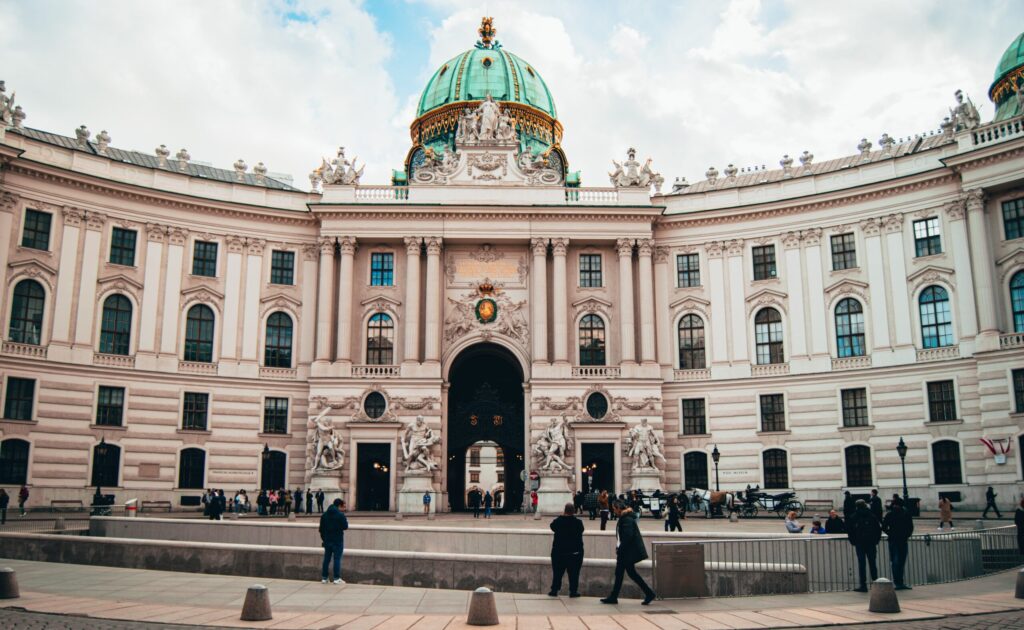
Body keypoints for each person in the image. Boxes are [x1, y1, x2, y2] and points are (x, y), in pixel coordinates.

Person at [601, 500, 656, 605]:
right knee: (625, 573)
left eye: (614, 508)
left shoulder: (626, 519)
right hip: (626, 551)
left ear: (618, 508)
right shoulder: (625, 518)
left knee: (623, 573)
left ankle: (648, 593)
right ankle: (648, 593)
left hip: (626, 552)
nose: (613, 511)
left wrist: (620, 549)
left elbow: (627, 536)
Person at [549, 502, 585, 598]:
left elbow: (552, 526)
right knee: (574, 573)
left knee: (557, 572)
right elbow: (581, 530)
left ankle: (554, 590)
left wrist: (562, 516)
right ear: (574, 511)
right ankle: (573, 591)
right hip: (574, 553)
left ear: (564, 510)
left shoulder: (558, 521)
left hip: (559, 553)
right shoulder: (578, 522)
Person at [848, 499, 882, 592]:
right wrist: (876, 541)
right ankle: (876, 582)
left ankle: (863, 585)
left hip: (860, 543)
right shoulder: (872, 515)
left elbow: (850, 531)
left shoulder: (854, 516)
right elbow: (878, 529)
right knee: (872, 563)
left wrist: (853, 541)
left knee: (862, 564)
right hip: (871, 543)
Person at [882, 497, 914, 590]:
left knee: (896, 562)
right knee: (900, 562)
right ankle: (899, 582)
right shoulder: (905, 514)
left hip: (894, 540)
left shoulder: (890, 514)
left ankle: (898, 582)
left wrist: (890, 533)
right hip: (902, 540)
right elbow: (910, 527)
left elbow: (884, 527)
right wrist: (907, 534)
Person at [318, 498, 349, 584]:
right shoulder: (340, 515)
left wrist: (324, 539)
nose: (344, 509)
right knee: (337, 559)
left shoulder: (324, 515)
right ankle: (336, 578)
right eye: (343, 507)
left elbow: (321, 529)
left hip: (327, 540)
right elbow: (345, 527)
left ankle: (324, 578)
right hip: (337, 540)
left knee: (326, 559)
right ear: (339, 506)